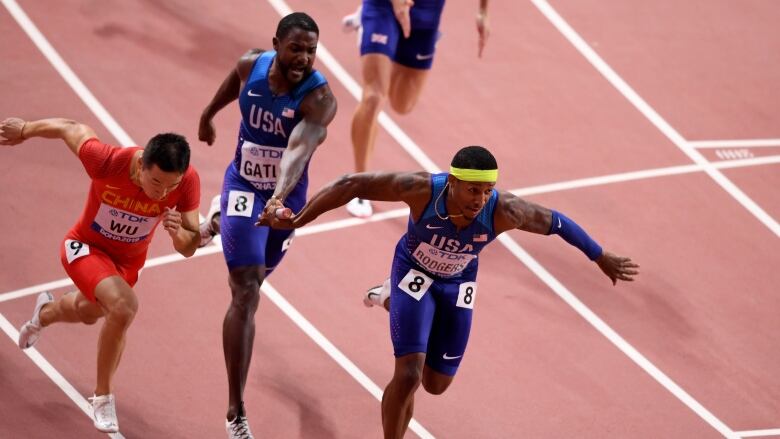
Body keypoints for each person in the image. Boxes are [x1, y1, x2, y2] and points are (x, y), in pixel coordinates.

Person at [259, 145, 639, 438]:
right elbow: (350, 184)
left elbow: (557, 222)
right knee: (409, 374)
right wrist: (299, 220)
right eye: (473, 190)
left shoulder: (505, 210)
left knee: (435, 385)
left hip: (458, 284)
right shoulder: (422, 190)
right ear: (453, 182)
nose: (480, 199)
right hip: (413, 272)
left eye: (487, 191)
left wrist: (599, 255)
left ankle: (389, 298)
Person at [0, 117, 200, 433]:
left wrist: (179, 236)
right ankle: (102, 395)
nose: (162, 194)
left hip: (125, 265)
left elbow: (190, 246)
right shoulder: (108, 162)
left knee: (91, 312)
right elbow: (70, 128)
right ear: (142, 165)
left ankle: (46, 313)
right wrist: (25, 130)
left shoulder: (187, 181)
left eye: (171, 186)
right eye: (156, 182)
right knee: (123, 307)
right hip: (84, 248)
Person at [196, 12, 337, 439]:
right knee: (246, 287)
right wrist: (208, 114)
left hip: (285, 199)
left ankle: (222, 219)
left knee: (257, 281)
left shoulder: (320, 99)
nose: (304, 58)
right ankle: (235, 408)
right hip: (243, 184)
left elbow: (298, 149)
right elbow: (233, 83)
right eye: (296, 48)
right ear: (275, 44)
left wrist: (278, 195)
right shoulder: (250, 64)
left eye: (312, 50)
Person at [342, 0, 491, 217]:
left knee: (402, 104)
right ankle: (361, 187)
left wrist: (483, 12)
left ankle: (385, 43)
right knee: (374, 96)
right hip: (383, 6)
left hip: (426, 12)